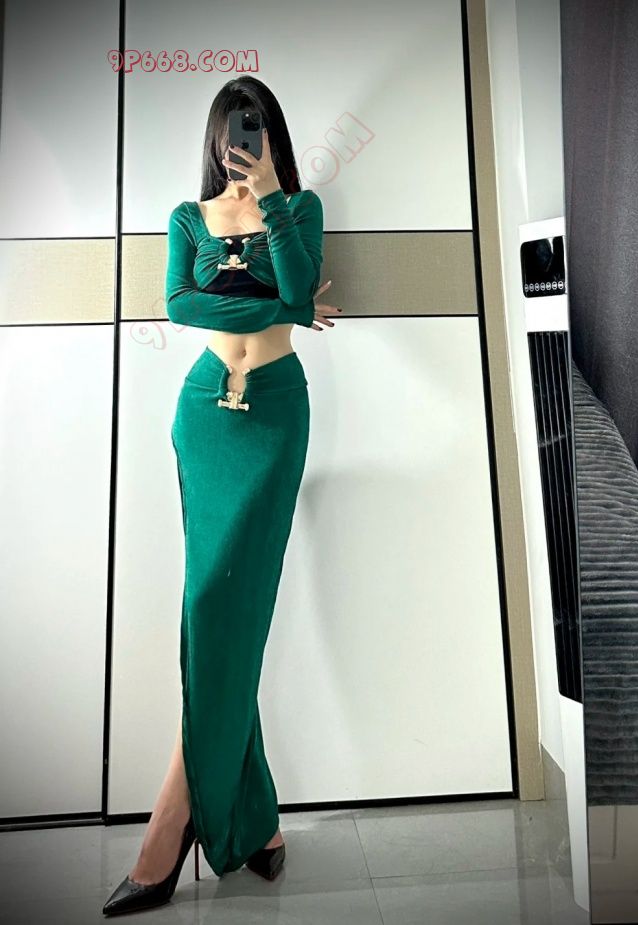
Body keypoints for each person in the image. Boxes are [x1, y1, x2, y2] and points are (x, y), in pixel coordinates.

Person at [103, 75, 340, 917]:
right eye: (235, 130)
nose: (244, 141)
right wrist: (279, 303)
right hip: (204, 413)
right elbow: (181, 304)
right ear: (215, 138)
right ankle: (258, 823)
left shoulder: (299, 208)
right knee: (215, 612)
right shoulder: (187, 218)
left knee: (227, 618)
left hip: (274, 418)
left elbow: (302, 285)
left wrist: (272, 202)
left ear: (273, 134)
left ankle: (167, 827)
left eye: (258, 127)